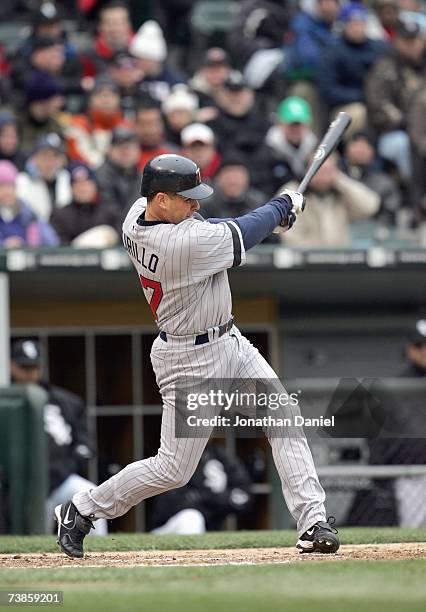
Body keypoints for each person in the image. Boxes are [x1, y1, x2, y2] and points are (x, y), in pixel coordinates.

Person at [54, 153, 340, 559]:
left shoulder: (137, 215)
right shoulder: (176, 244)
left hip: (230, 341)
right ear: (161, 200)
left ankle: (313, 521)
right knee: (173, 469)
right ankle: (81, 509)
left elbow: (220, 229)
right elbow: (236, 233)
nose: (196, 205)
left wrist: (275, 217)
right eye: (186, 198)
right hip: (190, 360)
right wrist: (281, 207)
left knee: (283, 417)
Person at [10, 339, 107, 536]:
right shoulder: (7, 402)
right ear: (11, 366)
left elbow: (85, 445)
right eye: (24, 367)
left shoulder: (65, 402)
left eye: (34, 367)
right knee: (33, 538)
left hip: (61, 480)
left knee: (90, 496)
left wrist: (62, 469)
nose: (30, 373)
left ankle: (98, 556)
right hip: (20, 488)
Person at [365, 20, 426, 182]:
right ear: (398, 41)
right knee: (403, 144)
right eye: (408, 41)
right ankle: (415, 195)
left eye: (416, 40)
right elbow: (378, 104)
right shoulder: (385, 67)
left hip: (420, 130)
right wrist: (407, 121)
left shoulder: (422, 65)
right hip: (393, 132)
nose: (413, 45)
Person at [280, 153, 380, 247]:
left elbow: (370, 206)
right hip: (305, 261)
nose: (323, 176)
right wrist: (322, 258)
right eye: (318, 170)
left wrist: (340, 180)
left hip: (341, 259)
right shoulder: (292, 193)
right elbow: (291, 239)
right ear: (307, 171)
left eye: (328, 170)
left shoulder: (342, 191)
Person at [150, 442, 253, 534]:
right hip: (167, 528)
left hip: (206, 530)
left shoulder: (220, 456)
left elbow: (244, 498)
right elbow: (174, 502)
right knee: (191, 519)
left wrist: (206, 497)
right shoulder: (175, 456)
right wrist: (216, 499)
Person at [317, 3, 388, 135]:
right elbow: (328, 90)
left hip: (378, 101)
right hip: (346, 105)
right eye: (352, 23)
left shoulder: (380, 48)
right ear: (343, 25)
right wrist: (362, 96)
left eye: (360, 23)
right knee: (358, 113)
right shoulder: (333, 51)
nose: (357, 28)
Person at [50, 162, 122, 246]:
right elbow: (59, 245)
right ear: (71, 188)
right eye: (77, 184)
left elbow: (122, 239)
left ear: (95, 186)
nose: (82, 188)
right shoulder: (60, 215)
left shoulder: (111, 211)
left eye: (86, 184)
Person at [66, 77, 129, 168]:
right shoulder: (78, 124)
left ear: (119, 99)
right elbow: (80, 156)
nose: (106, 100)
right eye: (100, 95)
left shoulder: (126, 126)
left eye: (111, 95)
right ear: (90, 99)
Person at [0, 160, 59, 248]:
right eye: (2, 187)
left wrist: (29, 244)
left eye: (10, 186)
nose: (7, 191)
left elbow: (52, 242)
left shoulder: (27, 213)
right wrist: (4, 246)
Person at [264, 97, 318, 192]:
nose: (296, 129)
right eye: (291, 125)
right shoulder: (268, 149)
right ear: (280, 124)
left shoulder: (314, 147)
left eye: (299, 124)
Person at [16, 133, 72, 221]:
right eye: (45, 156)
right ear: (34, 159)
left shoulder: (66, 177)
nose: (50, 162)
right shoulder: (22, 181)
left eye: (55, 156)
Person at [95, 127, 141, 213]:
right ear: (110, 150)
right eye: (121, 148)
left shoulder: (139, 175)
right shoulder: (102, 175)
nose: (126, 152)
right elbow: (110, 211)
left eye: (130, 148)